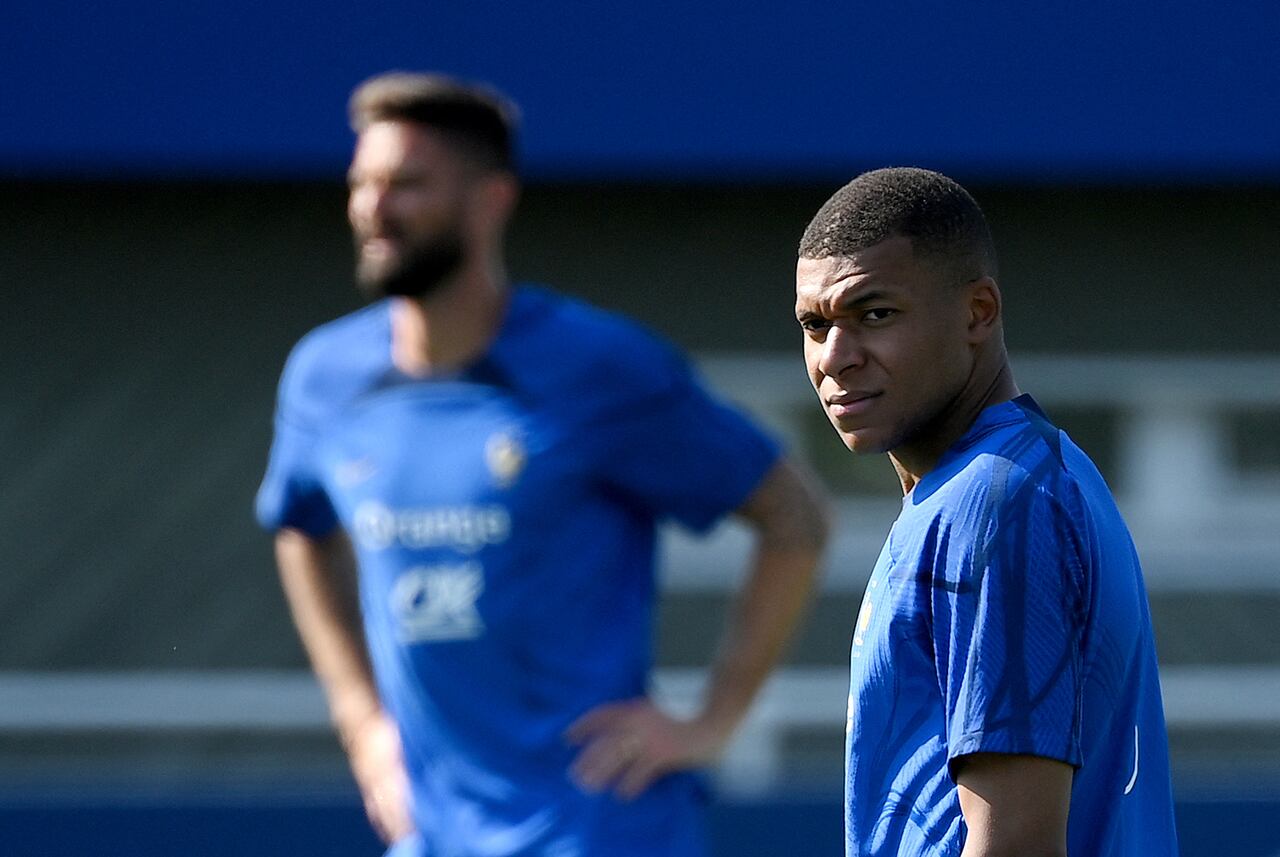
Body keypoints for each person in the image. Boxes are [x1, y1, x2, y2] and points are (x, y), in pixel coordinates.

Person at [254, 71, 830, 857]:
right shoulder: (326, 377)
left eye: (407, 184)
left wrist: (712, 720)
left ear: (491, 200)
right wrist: (362, 723)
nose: (373, 208)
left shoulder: (601, 368)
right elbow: (298, 527)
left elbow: (793, 516)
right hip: (428, 834)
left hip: (597, 827)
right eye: (362, 183)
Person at [794, 167, 1178, 856]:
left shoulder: (993, 505)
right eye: (815, 325)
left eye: (874, 314)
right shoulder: (1000, 483)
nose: (836, 358)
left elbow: (1016, 843)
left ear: (978, 312)